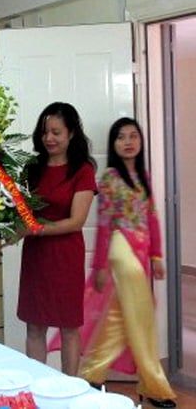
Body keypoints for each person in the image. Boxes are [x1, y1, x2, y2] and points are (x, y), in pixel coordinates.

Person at [77, 118, 176, 407]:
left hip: (142, 252)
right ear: (114, 144)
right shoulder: (110, 178)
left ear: (141, 142)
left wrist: (157, 255)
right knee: (142, 319)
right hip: (122, 250)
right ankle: (155, 386)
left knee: (120, 317)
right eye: (121, 137)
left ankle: (92, 375)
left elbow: (152, 218)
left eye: (133, 136)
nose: (128, 142)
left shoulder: (143, 176)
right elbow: (104, 225)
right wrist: (99, 266)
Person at [17, 102, 97, 376]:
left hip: (65, 256)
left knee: (69, 327)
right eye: (44, 132)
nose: (49, 138)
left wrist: (36, 229)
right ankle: (38, 386)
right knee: (34, 325)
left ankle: (69, 388)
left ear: (71, 133)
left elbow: (76, 221)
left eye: (56, 132)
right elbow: (20, 210)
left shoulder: (82, 170)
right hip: (36, 256)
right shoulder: (32, 167)